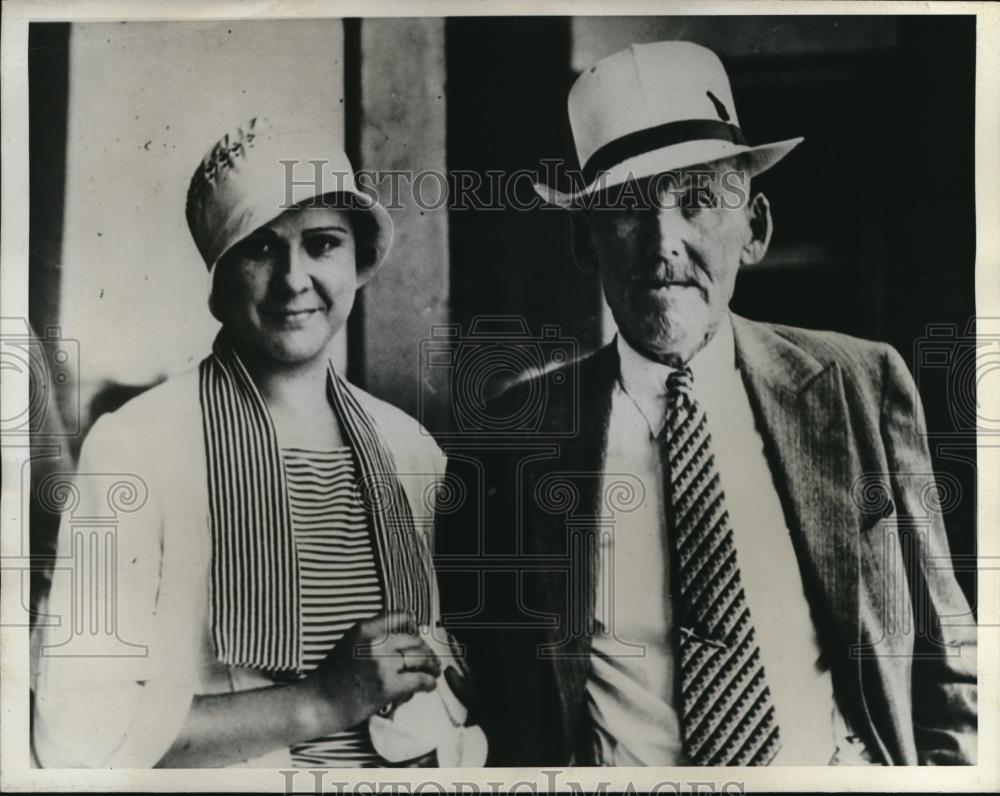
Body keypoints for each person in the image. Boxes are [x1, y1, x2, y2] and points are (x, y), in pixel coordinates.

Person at [435, 41, 977, 766]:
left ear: (754, 228)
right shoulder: (515, 432)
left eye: (696, 200)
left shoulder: (861, 386)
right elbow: (488, 695)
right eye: (627, 209)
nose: (664, 243)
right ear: (583, 241)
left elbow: (950, 666)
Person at [33, 117, 478, 768]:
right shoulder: (134, 449)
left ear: (359, 262)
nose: (294, 278)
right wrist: (320, 702)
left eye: (322, 244)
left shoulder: (410, 450)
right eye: (260, 248)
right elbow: (75, 734)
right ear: (216, 280)